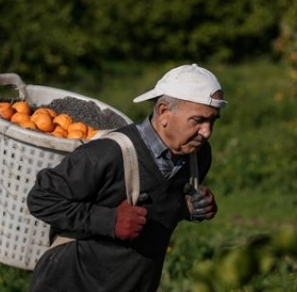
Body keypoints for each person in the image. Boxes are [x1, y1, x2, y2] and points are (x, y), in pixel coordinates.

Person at [27, 64, 225, 291]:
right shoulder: (107, 154)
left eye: (213, 121)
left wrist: (190, 207)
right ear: (163, 112)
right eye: (198, 120)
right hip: (70, 282)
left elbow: (160, 204)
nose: (207, 132)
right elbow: (41, 198)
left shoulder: (197, 156)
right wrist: (109, 221)